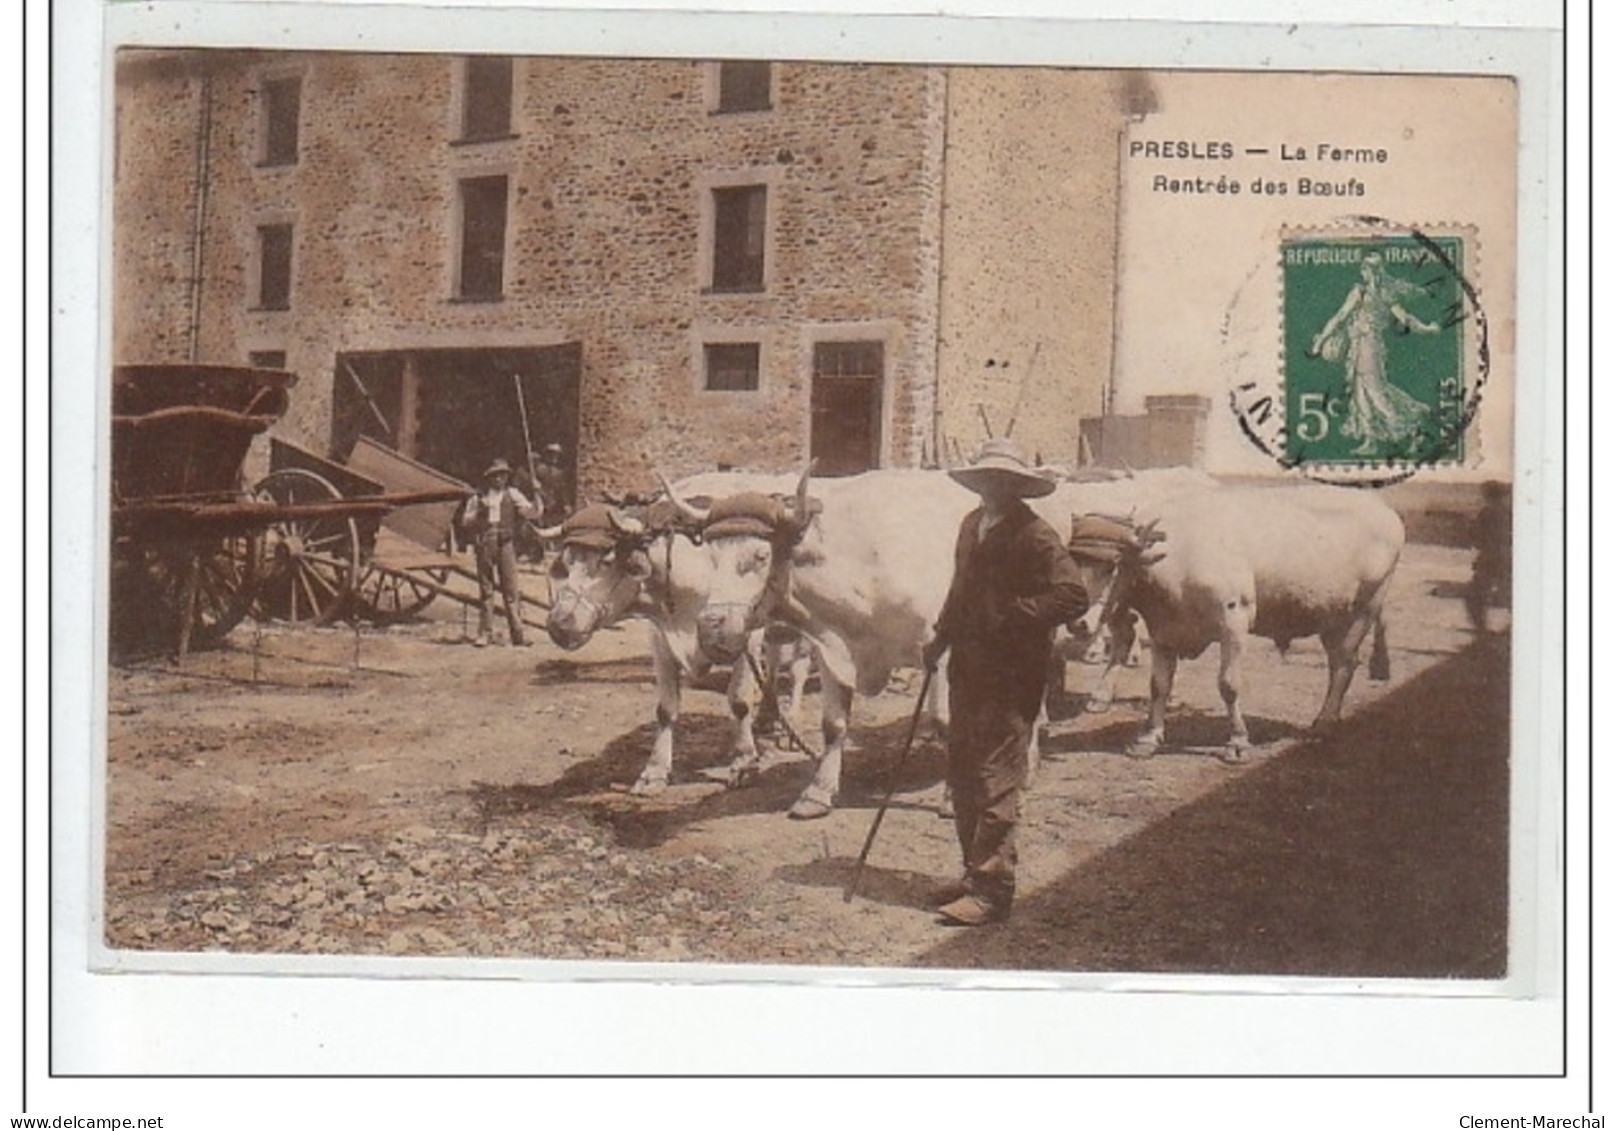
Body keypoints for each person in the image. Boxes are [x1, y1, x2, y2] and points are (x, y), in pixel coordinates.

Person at [921, 438, 1088, 926]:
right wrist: (940, 639)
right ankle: (973, 874)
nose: (993, 487)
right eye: (985, 479)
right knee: (964, 772)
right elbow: (960, 591)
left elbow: (1073, 595)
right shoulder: (971, 525)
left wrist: (1019, 615)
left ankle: (993, 891)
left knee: (997, 779)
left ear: (1018, 487)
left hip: (1013, 674)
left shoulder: (1035, 535)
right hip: (968, 668)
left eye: (1003, 480)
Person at [1310, 251, 1444, 456]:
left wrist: (1427, 329)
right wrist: (1322, 339)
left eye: (1365, 268)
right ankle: (1370, 440)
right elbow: (1340, 317)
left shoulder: (1382, 294)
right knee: (1360, 392)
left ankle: (1413, 428)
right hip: (1357, 347)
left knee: (1375, 391)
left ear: (1371, 271)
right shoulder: (1360, 292)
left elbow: (1406, 319)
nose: (1363, 272)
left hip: (1370, 346)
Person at [461, 458, 536, 647]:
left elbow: (533, 513)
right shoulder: (478, 497)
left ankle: (518, 635)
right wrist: (478, 513)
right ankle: (485, 634)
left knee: (510, 590)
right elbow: (465, 522)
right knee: (486, 590)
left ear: (506, 477)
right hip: (485, 543)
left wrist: (537, 494)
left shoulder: (513, 494)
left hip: (506, 544)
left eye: (502, 475)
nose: (499, 479)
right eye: (495, 475)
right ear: (489, 477)